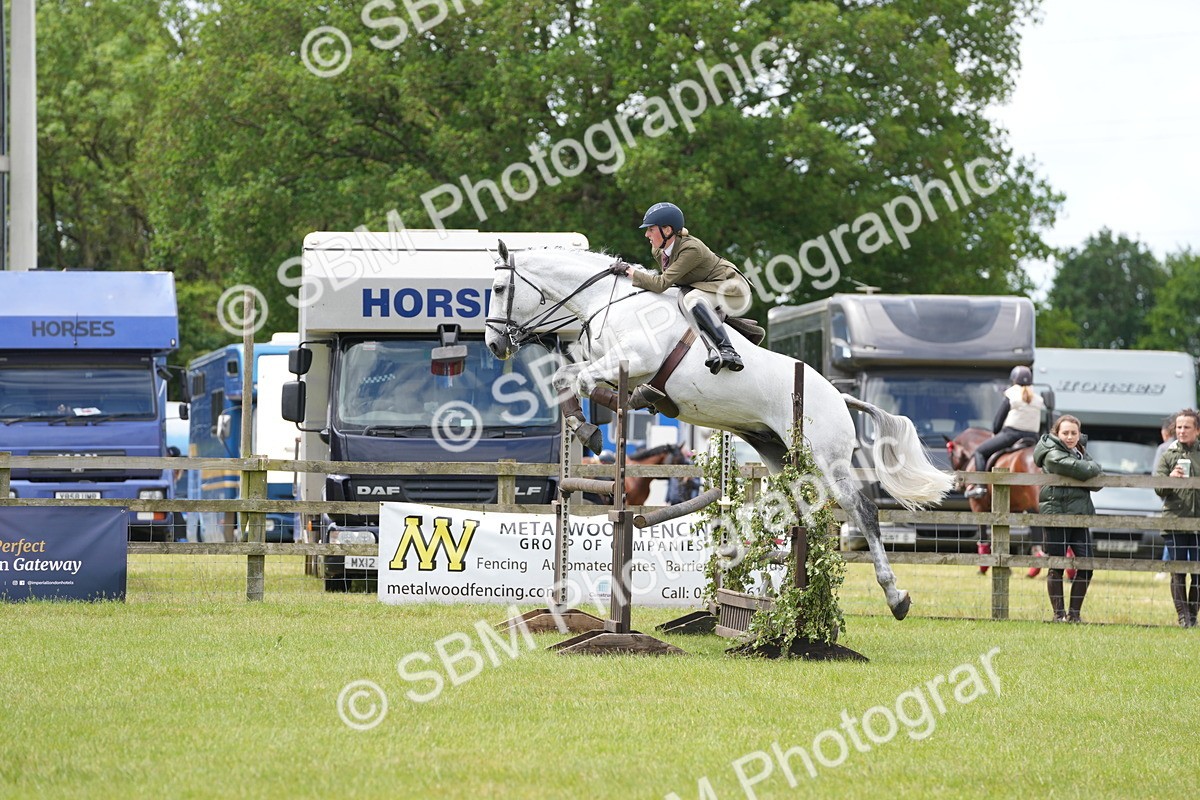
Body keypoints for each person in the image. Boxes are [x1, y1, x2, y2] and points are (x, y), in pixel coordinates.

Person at [610, 202, 753, 375]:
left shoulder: (691, 249)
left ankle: (728, 350)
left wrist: (629, 270)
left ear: (667, 230)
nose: (646, 234)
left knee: (692, 300)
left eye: (651, 229)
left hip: (732, 290)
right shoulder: (658, 250)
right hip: (706, 286)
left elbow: (661, 284)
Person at [1033, 414, 1102, 622]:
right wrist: (1091, 470)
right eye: (1065, 433)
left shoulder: (1080, 451)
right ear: (1057, 433)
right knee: (1057, 565)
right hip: (1056, 514)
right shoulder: (1051, 453)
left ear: (1079, 434)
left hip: (1079, 515)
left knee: (1086, 566)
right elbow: (1075, 468)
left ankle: (1074, 615)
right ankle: (1058, 615)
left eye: (1074, 433)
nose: (1070, 437)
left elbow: (1097, 483)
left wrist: (1088, 472)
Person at [965, 365, 1045, 498]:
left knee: (980, 452)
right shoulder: (1037, 398)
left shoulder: (1011, 394)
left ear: (1014, 380)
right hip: (1033, 437)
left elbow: (999, 419)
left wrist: (995, 431)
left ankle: (980, 487)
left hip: (1011, 435)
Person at [1154, 408, 1200, 627]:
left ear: (1197, 430)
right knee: (1178, 571)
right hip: (1174, 520)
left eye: (1187, 427)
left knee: (1198, 573)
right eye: (1179, 427)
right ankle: (1183, 617)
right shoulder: (1168, 455)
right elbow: (1158, 489)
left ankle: (1193, 613)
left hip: (1198, 522)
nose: (1182, 431)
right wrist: (1170, 479)